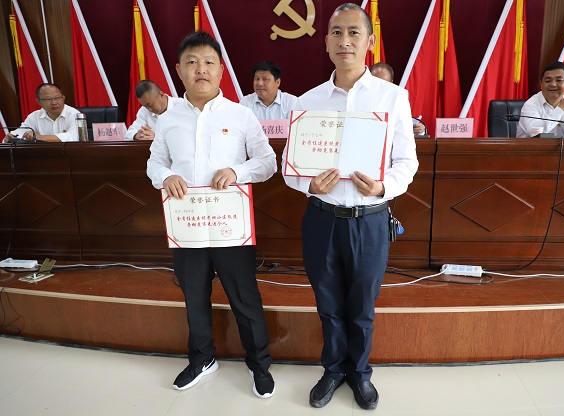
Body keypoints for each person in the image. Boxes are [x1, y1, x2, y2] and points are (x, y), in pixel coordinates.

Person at [282, 3, 418, 410]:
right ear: (326, 42)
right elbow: (289, 167)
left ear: (369, 41)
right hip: (322, 219)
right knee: (327, 303)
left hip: (369, 220)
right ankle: (333, 370)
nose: (345, 41)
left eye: (354, 33)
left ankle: (359, 373)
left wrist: (382, 187)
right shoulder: (307, 101)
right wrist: (307, 183)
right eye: (337, 33)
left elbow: (407, 162)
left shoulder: (392, 97)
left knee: (361, 307)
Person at [146, 31, 277, 398]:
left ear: (221, 70)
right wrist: (166, 176)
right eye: (191, 62)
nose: (200, 69)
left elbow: (267, 161)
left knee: (244, 296)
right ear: (178, 70)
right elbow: (154, 162)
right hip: (187, 225)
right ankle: (202, 358)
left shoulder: (241, 115)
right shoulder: (168, 119)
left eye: (208, 62)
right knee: (194, 295)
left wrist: (238, 172)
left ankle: (259, 362)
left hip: (229, 226)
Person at [516, 61, 564, 138]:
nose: (553, 84)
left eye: (559, 80)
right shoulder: (531, 104)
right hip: (532, 146)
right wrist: (561, 108)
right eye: (548, 81)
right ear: (541, 84)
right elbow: (535, 133)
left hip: (563, 146)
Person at [3, 83, 80, 142]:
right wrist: (10, 137)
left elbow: (75, 136)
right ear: (38, 102)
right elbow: (20, 133)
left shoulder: (75, 114)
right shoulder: (34, 117)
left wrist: (40, 137)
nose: (54, 103)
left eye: (57, 98)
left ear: (63, 98)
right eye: (48, 99)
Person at [370, 62, 425, 136]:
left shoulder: (397, 102)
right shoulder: (360, 99)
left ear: (391, 83)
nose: (381, 87)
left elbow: (405, 129)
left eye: (385, 83)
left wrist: (419, 130)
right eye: (377, 82)